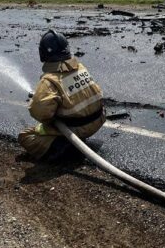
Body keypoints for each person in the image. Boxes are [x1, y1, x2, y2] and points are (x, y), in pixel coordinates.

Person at [18, 30, 105, 162]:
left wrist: (36, 102)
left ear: (43, 53)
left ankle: (62, 148)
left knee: (25, 135)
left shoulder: (49, 81)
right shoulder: (80, 67)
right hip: (97, 121)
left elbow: (41, 114)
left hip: (77, 129)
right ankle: (74, 141)